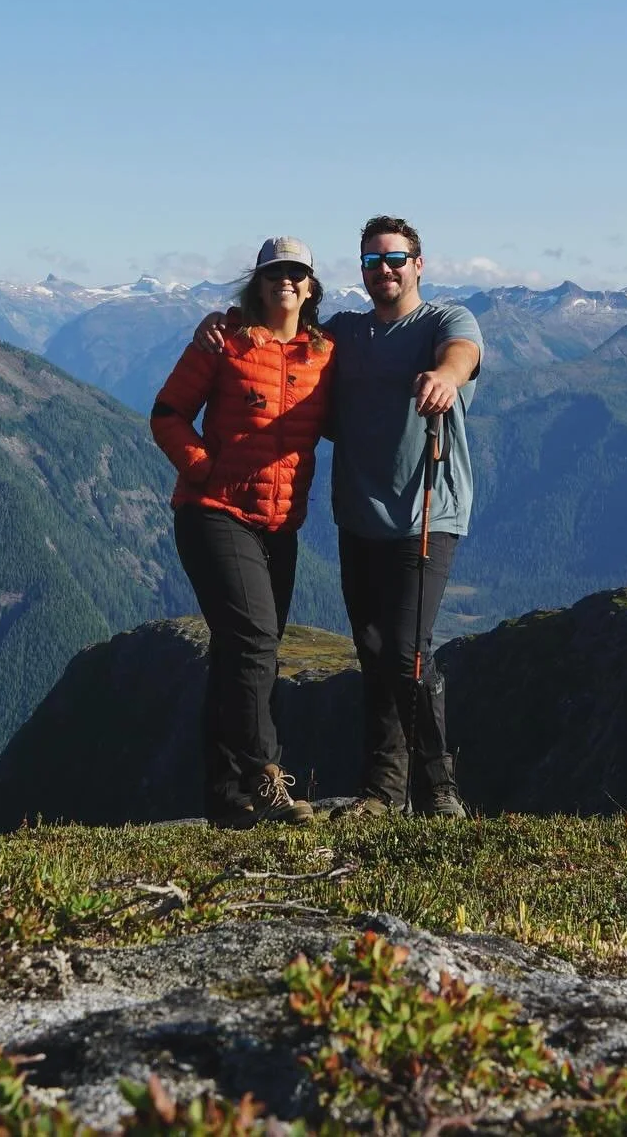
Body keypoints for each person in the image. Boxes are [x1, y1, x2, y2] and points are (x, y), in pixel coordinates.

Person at [196, 215, 482, 818]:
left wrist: (446, 378)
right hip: (358, 517)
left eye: (395, 259)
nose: (384, 270)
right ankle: (382, 792)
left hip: (426, 512)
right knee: (374, 649)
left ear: (418, 264)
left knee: (407, 649)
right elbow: (282, 336)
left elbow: (463, 354)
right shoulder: (344, 335)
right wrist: (221, 326)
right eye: (372, 261)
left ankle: (439, 789)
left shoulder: (444, 322)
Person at [151, 237, 336, 827]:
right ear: (257, 284)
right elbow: (167, 414)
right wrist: (204, 470)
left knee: (241, 655)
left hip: (280, 525)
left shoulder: (326, 355)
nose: (286, 279)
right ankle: (267, 778)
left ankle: (226, 805)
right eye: (274, 271)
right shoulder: (224, 342)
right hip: (213, 513)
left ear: (310, 287)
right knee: (255, 644)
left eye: (296, 272)